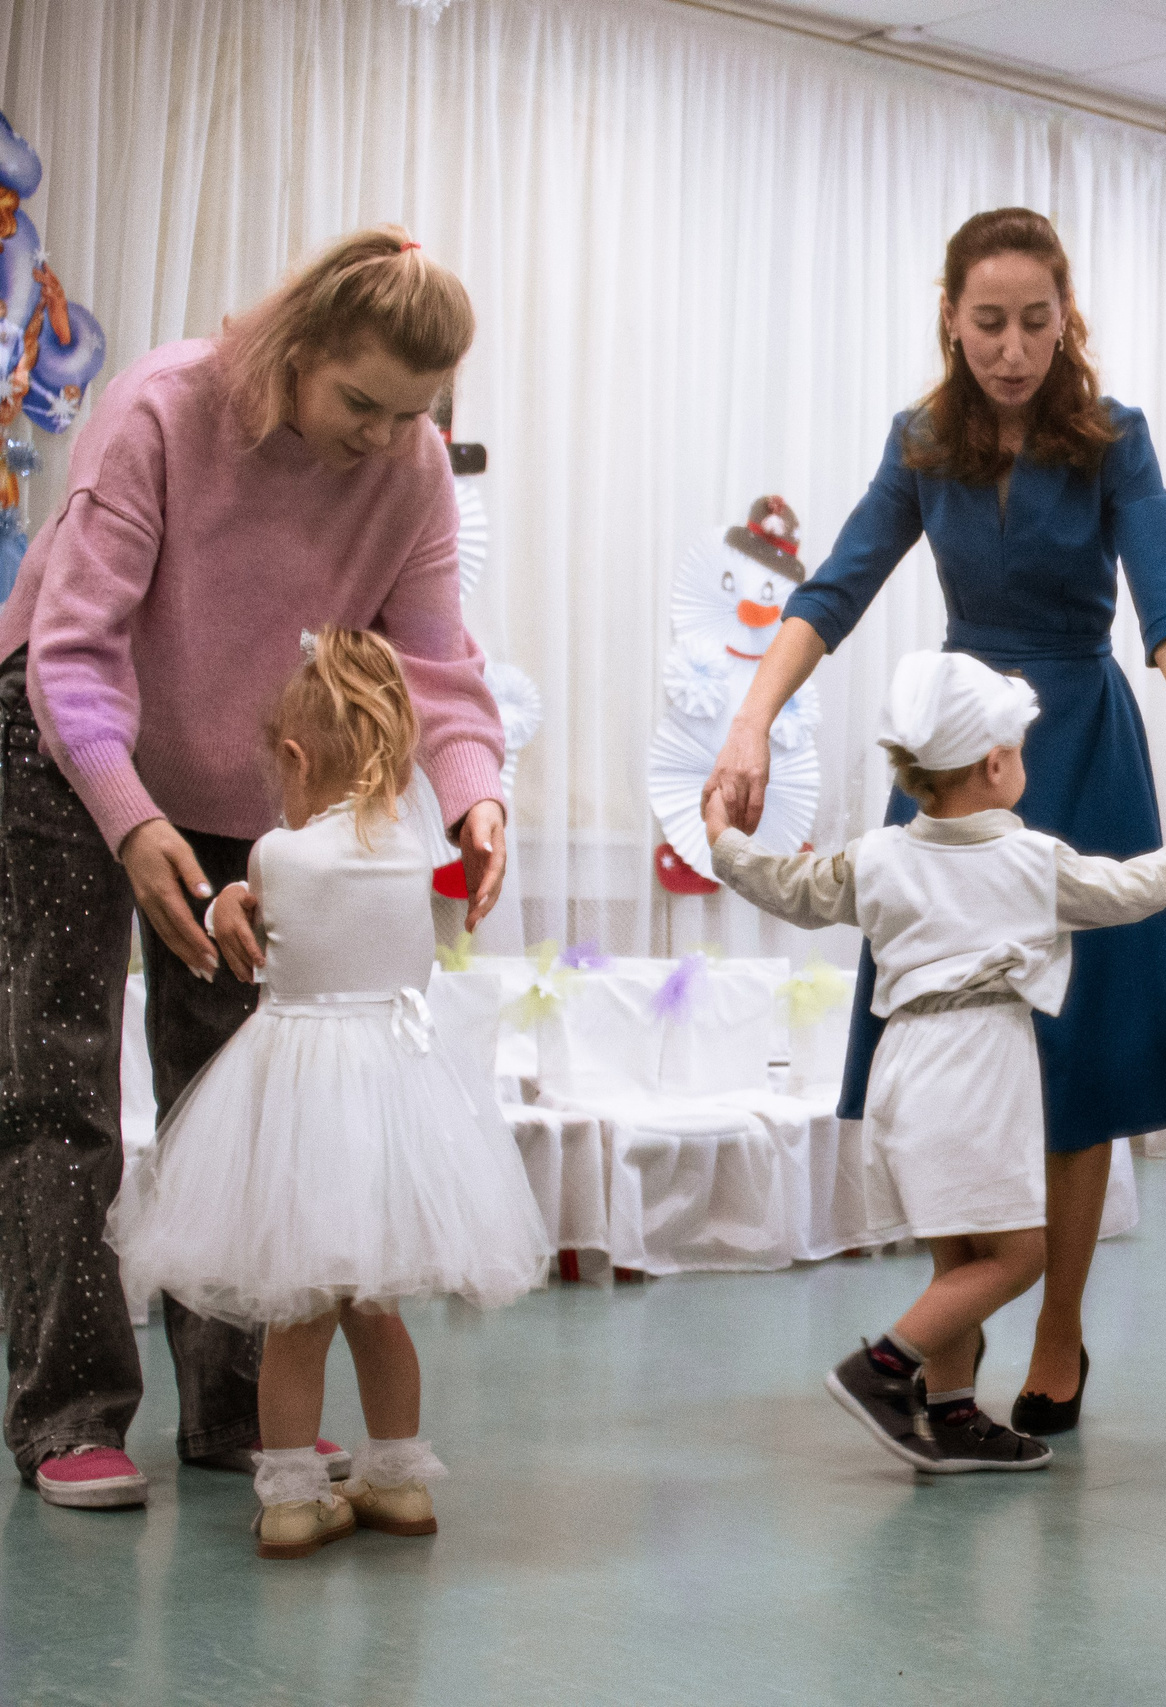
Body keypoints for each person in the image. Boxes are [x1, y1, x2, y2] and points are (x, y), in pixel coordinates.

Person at [703, 208, 1166, 1436]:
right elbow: (834, 588)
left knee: (1078, 1059)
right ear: (950, 318)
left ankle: (1058, 1332)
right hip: (957, 760)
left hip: (1084, 749)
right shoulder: (922, 443)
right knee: (952, 1037)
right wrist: (751, 722)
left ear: (1067, 321)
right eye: (990, 322)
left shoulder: (1113, 440)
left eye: (1035, 323)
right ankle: (951, 1340)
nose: (1012, 349)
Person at [0, 226, 507, 1511]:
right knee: (59, 1070)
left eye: (411, 413)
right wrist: (129, 817)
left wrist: (475, 796)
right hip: (65, 739)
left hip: (245, 776)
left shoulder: (410, 469)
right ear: (301, 346)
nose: (380, 437)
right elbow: (74, 647)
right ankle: (69, 1416)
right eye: (359, 402)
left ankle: (237, 1414)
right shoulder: (165, 408)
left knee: (240, 1088)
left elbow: (435, 664)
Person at [710, 651, 1166, 1472]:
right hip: (976, 1071)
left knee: (959, 1256)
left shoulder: (877, 857)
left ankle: (950, 1414)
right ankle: (882, 1369)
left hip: (904, 1068)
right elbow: (1126, 891)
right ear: (994, 764)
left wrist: (725, 842)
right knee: (1020, 1255)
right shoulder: (1029, 862)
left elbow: (790, 888)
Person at [108, 629, 547, 1558]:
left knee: (298, 1315)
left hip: (299, 1100)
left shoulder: (277, 853)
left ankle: (293, 1497)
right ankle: (399, 1483)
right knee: (376, 1311)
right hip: (395, 1096)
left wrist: (226, 897)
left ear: (296, 759)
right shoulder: (414, 855)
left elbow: (248, 912)